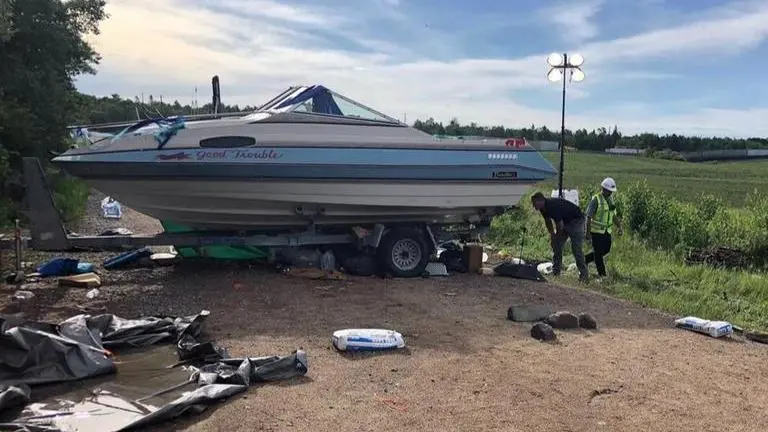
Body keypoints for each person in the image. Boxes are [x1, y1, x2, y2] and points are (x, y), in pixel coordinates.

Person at [530, 192, 589, 282]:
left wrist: (557, 237)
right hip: (565, 222)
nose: (534, 207)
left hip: (576, 221)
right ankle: (556, 271)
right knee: (557, 246)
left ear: (540, 201)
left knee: (576, 249)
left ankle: (584, 275)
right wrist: (552, 235)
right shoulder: (543, 208)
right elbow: (548, 221)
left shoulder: (552, 206)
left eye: (535, 204)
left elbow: (559, 225)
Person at [584, 177, 623, 280]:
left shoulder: (610, 200)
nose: (610, 193)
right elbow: (588, 216)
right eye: (609, 191)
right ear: (604, 189)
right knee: (598, 254)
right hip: (596, 231)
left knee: (605, 250)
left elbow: (613, 215)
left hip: (606, 231)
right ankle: (602, 275)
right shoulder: (596, 200)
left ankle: (584, 260)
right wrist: (587, 233)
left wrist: (619, 226)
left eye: (611, 191)